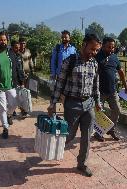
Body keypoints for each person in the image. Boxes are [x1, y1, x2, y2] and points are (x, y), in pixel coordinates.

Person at [47, 34, 102, 177]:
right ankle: (55, 149)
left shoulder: (94, 64)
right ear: (84, 45)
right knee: (69, 135)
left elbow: (96, 86)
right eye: (92, 49)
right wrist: (53, 104)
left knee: (86, 136)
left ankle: (82, 164)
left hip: (88, 104)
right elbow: (59, 85)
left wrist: (98, 102)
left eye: (96, 50)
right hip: (71, 104)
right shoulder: (70, 61)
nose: (94, 53)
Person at [0, 32, 24, 139]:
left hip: (11, 85)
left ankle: (9, 115)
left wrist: (21, 81)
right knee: (2, 108)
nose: (4, 42)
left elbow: (18, 68)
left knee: (14, 103)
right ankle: (5, 128)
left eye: (5, 40)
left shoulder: (11, 53)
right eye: (1, 40)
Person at [93, 37, 127, 142]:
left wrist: (125, 86)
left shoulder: (114, 57)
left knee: (117, 110)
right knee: (99, 113)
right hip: (99, 91)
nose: (111, 49)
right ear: (103, 46)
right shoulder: (97, 56)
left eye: (113, 47)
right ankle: (98, 133)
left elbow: (121, 72)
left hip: (112, 91)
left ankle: (111, 130)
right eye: (109, 47)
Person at [11, 40, 28, 117]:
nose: (17, 49)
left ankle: (23, 111)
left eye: (18, 47)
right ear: (12, 47)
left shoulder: (19, 56)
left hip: (18, 80)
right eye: (15, 48)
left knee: (21, 96)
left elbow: (20, 70)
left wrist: (22, 82)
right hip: (10, 81)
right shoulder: (8, 56)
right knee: (12, 97)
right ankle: (11, 111)